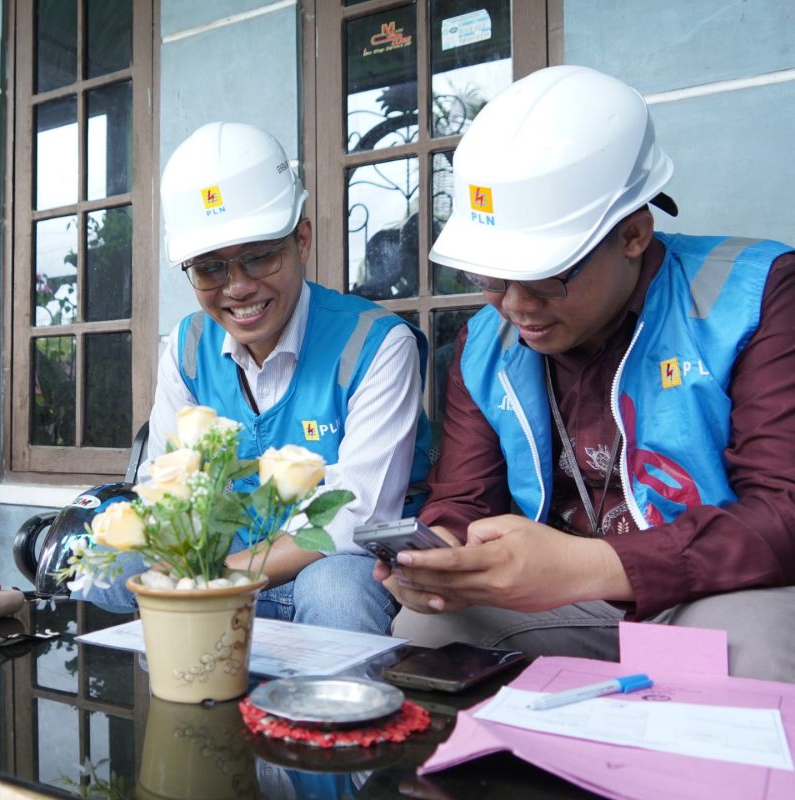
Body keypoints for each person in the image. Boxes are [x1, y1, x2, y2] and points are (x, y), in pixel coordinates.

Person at [375, 65, 795, 680]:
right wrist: (436, 561)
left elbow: (783, 511)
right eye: (488, 278)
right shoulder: (484, 345)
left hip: (723, 590)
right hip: (574, 602)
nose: (515, 306)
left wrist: (586, 565)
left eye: (546, 276)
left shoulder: (757, 295)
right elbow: (462, 500)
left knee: (740, 654)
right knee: (426, 628)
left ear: (633, 233)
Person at [86, 121, 433, 634]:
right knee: (104, 571)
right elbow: (159, 480)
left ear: (303, 239)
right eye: (210, 269)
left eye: (260, 256)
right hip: (228, 550)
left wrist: (213, 577)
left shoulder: (377, 343)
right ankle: (187, 694)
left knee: (335, 593)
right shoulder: (186, 346)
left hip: (334, 563)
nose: (240, 287)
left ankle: (331, 714)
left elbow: (354, 518)